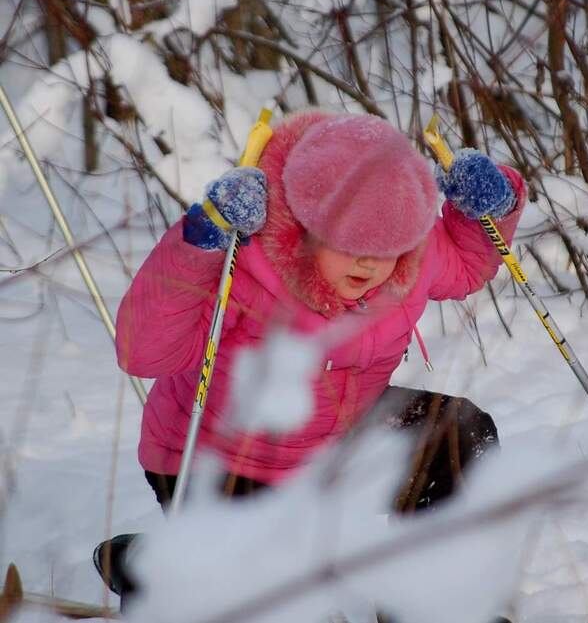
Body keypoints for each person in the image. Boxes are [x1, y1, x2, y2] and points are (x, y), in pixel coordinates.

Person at [96, 110, 526, 606]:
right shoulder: (247, 258)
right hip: (222, 461)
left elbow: (470, 262)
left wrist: (495, 202)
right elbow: (143, 351)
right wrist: (200, 243)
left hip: (333, 440)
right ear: (305, 225)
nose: (368, 264)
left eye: (384, 247)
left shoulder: (410, 253)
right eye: (349, 245)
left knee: (457, 432)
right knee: (284, 597)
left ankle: (433, 600)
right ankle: (150, 566)